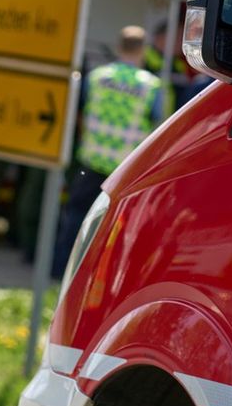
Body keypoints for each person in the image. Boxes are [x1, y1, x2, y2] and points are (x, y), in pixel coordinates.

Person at [52, 25, 164, 276]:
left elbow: (81, 112)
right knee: (115, 226)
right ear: (143, 50)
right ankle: (98, 276)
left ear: (119, 46)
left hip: (91, 158)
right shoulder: (152, 86)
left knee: (76, 218)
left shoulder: (97, 76)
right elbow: (157, 124)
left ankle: (60, 271)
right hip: (124, 168)